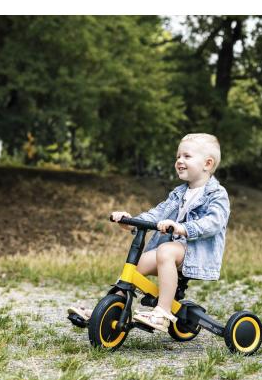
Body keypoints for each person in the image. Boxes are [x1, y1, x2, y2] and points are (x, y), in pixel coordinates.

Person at [67, 133, 230, 332]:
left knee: (165, 250)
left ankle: (162, 313)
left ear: (207, 164)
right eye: (178, 156)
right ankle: (107, 307)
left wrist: (183, 228)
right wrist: (131, 222)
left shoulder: (217, 194)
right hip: (172, 251)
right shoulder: (178, 193)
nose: (179, 161)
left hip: (197, 254)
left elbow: (214, 222)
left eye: (187, 156)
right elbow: (157, 214)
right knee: (137, 266)